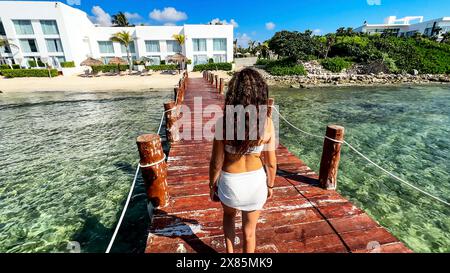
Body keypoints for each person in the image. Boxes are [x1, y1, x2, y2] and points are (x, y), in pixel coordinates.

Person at [209, 68, 277, 253]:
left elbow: (216, 162)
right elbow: (271, 163)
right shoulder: (267, 123)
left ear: (233, 94)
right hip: (255, 185)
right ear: (260, 94)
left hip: (231, 182)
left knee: (229, 217)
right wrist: (270, 185)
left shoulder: (223, 123)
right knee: (250, 233)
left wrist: (212, 185)